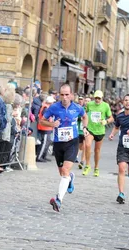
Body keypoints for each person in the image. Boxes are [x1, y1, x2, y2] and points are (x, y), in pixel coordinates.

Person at [39, 83, 89, 212]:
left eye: (67, 94)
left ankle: (58, 199)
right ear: (59, 95)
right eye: (62, 95)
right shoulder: (54, 107)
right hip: (58, 143)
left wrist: (84, 127)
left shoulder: (77, 108)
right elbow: (41, 120)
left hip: (72, 142)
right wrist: (52, 123)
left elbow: (85, 117)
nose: (65, 97)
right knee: (63, 173)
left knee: (65, 170)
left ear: (71, 95)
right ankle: (70, 178)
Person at [82, 90, 113, 177]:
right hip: (90, 129)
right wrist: (83, 119)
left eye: (99, 98)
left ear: (102, 98)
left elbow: (111, 118)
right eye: (96, 98)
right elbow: (84, 113)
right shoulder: (89, 104)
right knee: (87, 145)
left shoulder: (106, 106)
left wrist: (106, 121)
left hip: (100, 131)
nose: (97, 100)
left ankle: (96, 167)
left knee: (97, 150)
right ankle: (87, 165)